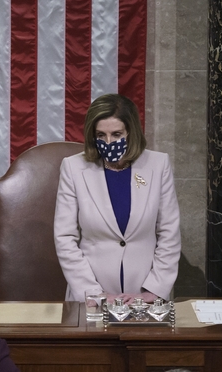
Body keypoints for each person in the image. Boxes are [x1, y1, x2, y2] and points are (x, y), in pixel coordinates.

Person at [54, 94, 181, 303]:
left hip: (144, 296)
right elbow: (64, 238)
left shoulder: (158, 165)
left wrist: (155, 289)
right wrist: (92, 292)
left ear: (131, 132)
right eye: (101, 135)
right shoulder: (73, 168)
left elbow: (169, 232)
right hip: (91, 298)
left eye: (116, 134)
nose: (109, 141)